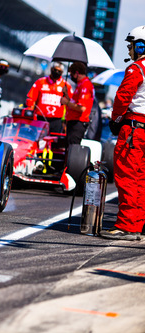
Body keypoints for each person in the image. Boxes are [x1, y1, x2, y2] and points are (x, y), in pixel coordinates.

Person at [101, 25, 145, 241]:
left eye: (131, 46)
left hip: (134, 129)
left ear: (140, 46)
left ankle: (127, 226)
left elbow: (122, 97)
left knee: (127, 176)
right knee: (142, 180)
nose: (129, 50)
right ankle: (139, 223)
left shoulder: (137, 68)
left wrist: (116, 120)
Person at [25, 61, 71, 134]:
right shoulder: (40, 82)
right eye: (55, 70)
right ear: (51, 69)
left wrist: (65, 122)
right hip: (40, 119)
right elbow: (31, 99)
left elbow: (70, 104)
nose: (57, 72)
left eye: (59, 71)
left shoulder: (66, 86)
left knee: (54, 143)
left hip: (56, 121)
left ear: (62, 72)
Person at [60, 61, 95, 145]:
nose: (71, 76)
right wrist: (66, 94)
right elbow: (74, 103)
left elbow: (82, 108)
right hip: (73, 122)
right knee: (69, 149)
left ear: (77, 73)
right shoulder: (80, 84)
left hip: (78, 123)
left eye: (71, 74)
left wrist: (67, 102)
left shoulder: (85, 85)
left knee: (73, 149)